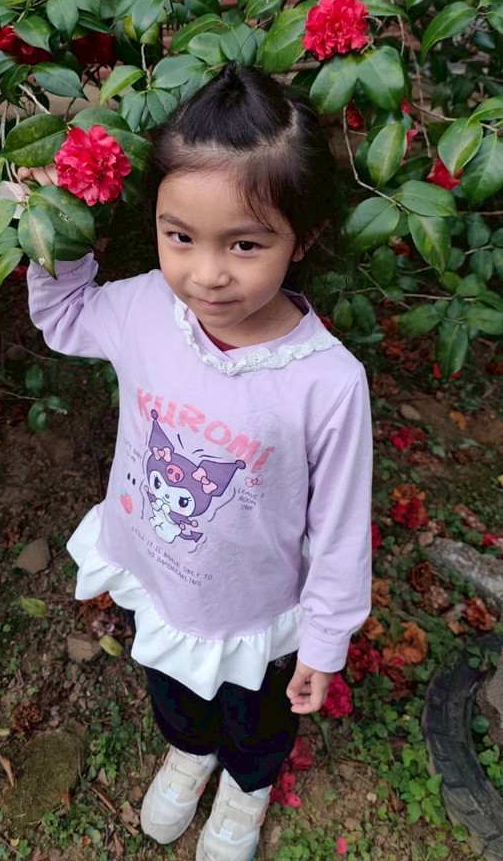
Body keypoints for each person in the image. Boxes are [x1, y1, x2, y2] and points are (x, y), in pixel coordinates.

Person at [26, 63, 372, 861]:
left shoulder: (326, 383)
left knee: (258, 721)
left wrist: (324, 642)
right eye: (179, 236)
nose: (206, 274)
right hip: (158, 579)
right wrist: (54, 228)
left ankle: (246, 791)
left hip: (255, 614)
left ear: (301, 238)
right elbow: (67, 317)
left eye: (244, 244)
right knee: (174, 694)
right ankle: (189, 754)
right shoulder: (146, 307)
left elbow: (340, 528)